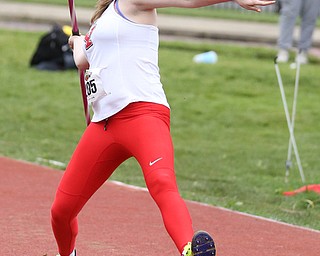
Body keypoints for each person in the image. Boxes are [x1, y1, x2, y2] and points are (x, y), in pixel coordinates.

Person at [50, 0, 275, 255]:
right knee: (61, 210)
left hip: (143, 116)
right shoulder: (101, 23)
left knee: (162, 181)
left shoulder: (133, 2)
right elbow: (82, 59)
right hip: (104, 126)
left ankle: (189, 249)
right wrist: (77, 41)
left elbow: (188, 0)